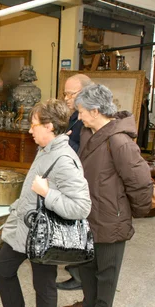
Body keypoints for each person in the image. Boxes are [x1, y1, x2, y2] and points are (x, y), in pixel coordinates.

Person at [0, 99, 91, 307]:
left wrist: (48, 194)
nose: (29, 130)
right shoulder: (46, 149)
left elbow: (81, 207)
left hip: (44, 235)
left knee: (43, 283)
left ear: (49, 126)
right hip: (25, 229)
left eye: (33, 124)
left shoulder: (64, 159)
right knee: (3, 267)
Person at [62, 84, 153, 307]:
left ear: (95, 110)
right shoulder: (90, 134)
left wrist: (138, 211)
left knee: (107, 268)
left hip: (111, 215)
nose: (78, 116)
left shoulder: (119, 141)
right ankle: (89, 302)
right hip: (89, 211)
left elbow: (140, 180)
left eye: (81, 111)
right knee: (87, 263)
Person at [57, 73, 93, 291]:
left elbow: (82, 151)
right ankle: (76, 272)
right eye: (65, 94)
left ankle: (80, 276)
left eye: (71, 94)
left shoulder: (87, 121)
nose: (67, 98)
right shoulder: (75, 117)